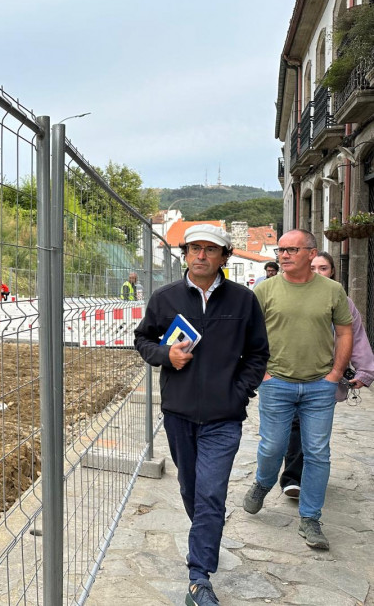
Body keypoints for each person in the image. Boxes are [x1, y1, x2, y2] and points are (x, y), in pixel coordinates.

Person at [135, 224, 268, 606]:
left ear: (225, 257)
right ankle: (206, 533)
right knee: (192, 490)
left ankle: (199, 578)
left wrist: (239, 391)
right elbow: (142, 339)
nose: (202, 256)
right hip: (178, 414)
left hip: (224, 417)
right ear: (186, 254)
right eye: (195, 249)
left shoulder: (244, 300)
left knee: (211, 492)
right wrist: (166, 355)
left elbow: (258, 352)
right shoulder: (165, 298)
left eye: (211, 250)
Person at [243, 229, 352, 551]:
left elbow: (346, 332)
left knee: (317, 452)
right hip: (277, 383)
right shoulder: (265, 290)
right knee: (273, 446)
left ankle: (310, 519)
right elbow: (248, 334)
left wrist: (335, 374)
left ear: (311, 252)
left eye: (292, 249)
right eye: (281, 250)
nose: (284, 255)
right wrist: (262, 373)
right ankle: (263, 483)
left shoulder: (333, 290)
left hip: (320, 386)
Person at [278, 251, 373, 498]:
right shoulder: (287, 295)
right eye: (314, 267)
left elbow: (356, 335)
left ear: (332, 272)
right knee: (295, 425)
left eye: (324, 268)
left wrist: (364, 370)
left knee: (315, 430)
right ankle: (293, 477)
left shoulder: (341, 300)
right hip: (289, 372)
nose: (318, 272)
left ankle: (309, 475)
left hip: (325, 375)